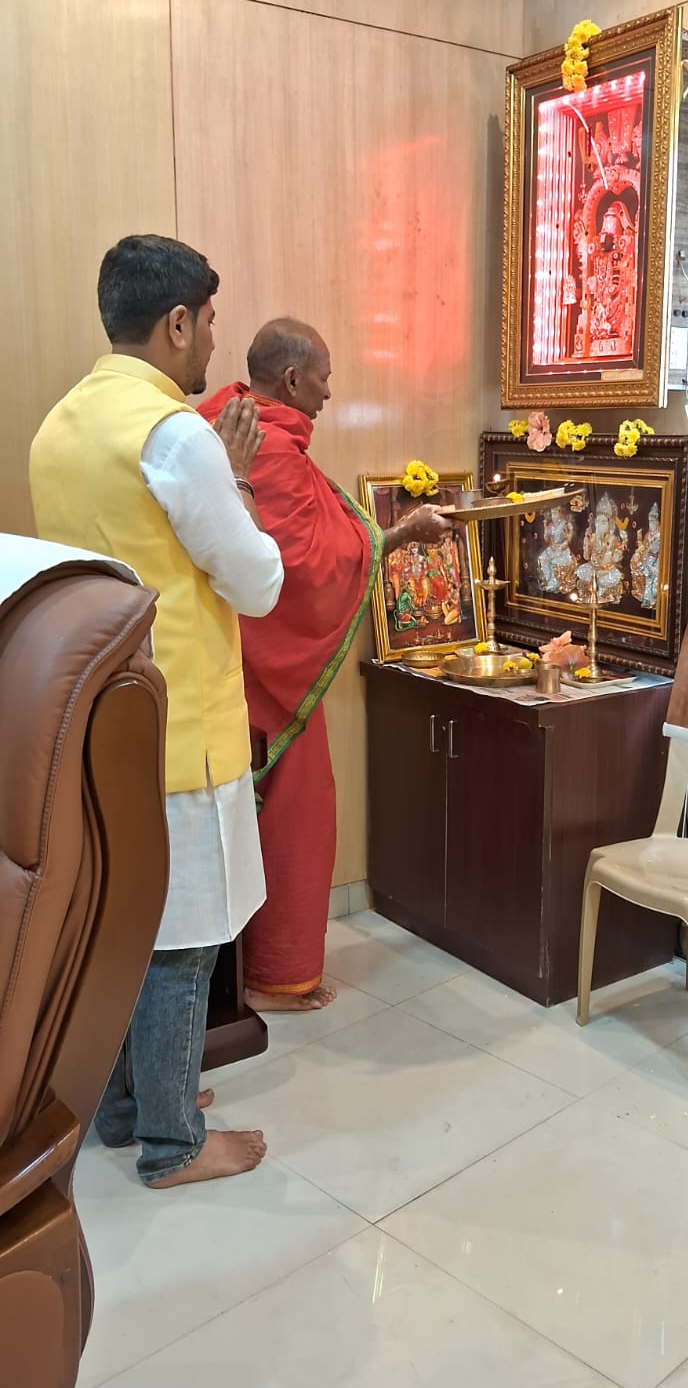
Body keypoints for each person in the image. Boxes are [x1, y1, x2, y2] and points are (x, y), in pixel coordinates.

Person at [29, 235, 284, 1187]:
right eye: (209, 321)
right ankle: (173, 1145)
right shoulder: (176, 436)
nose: (213, 339)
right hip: (181, 728)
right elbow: (255, 581)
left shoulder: (60, 426)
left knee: (126, 930)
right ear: (177, 323)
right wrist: (238, 479)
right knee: (186, 941)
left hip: (100, 725)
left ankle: (129, 1107)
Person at [199, 318, 450, 1011]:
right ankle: (274, 977)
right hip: (267, 682)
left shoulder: (228, 422)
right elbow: (299, 572)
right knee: (296, 816)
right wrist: (401, 534)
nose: (329, 393)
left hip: (229, 670)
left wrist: (396, 534)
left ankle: (255, 974)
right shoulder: (267, 448)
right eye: (324, 378)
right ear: (291, 380)